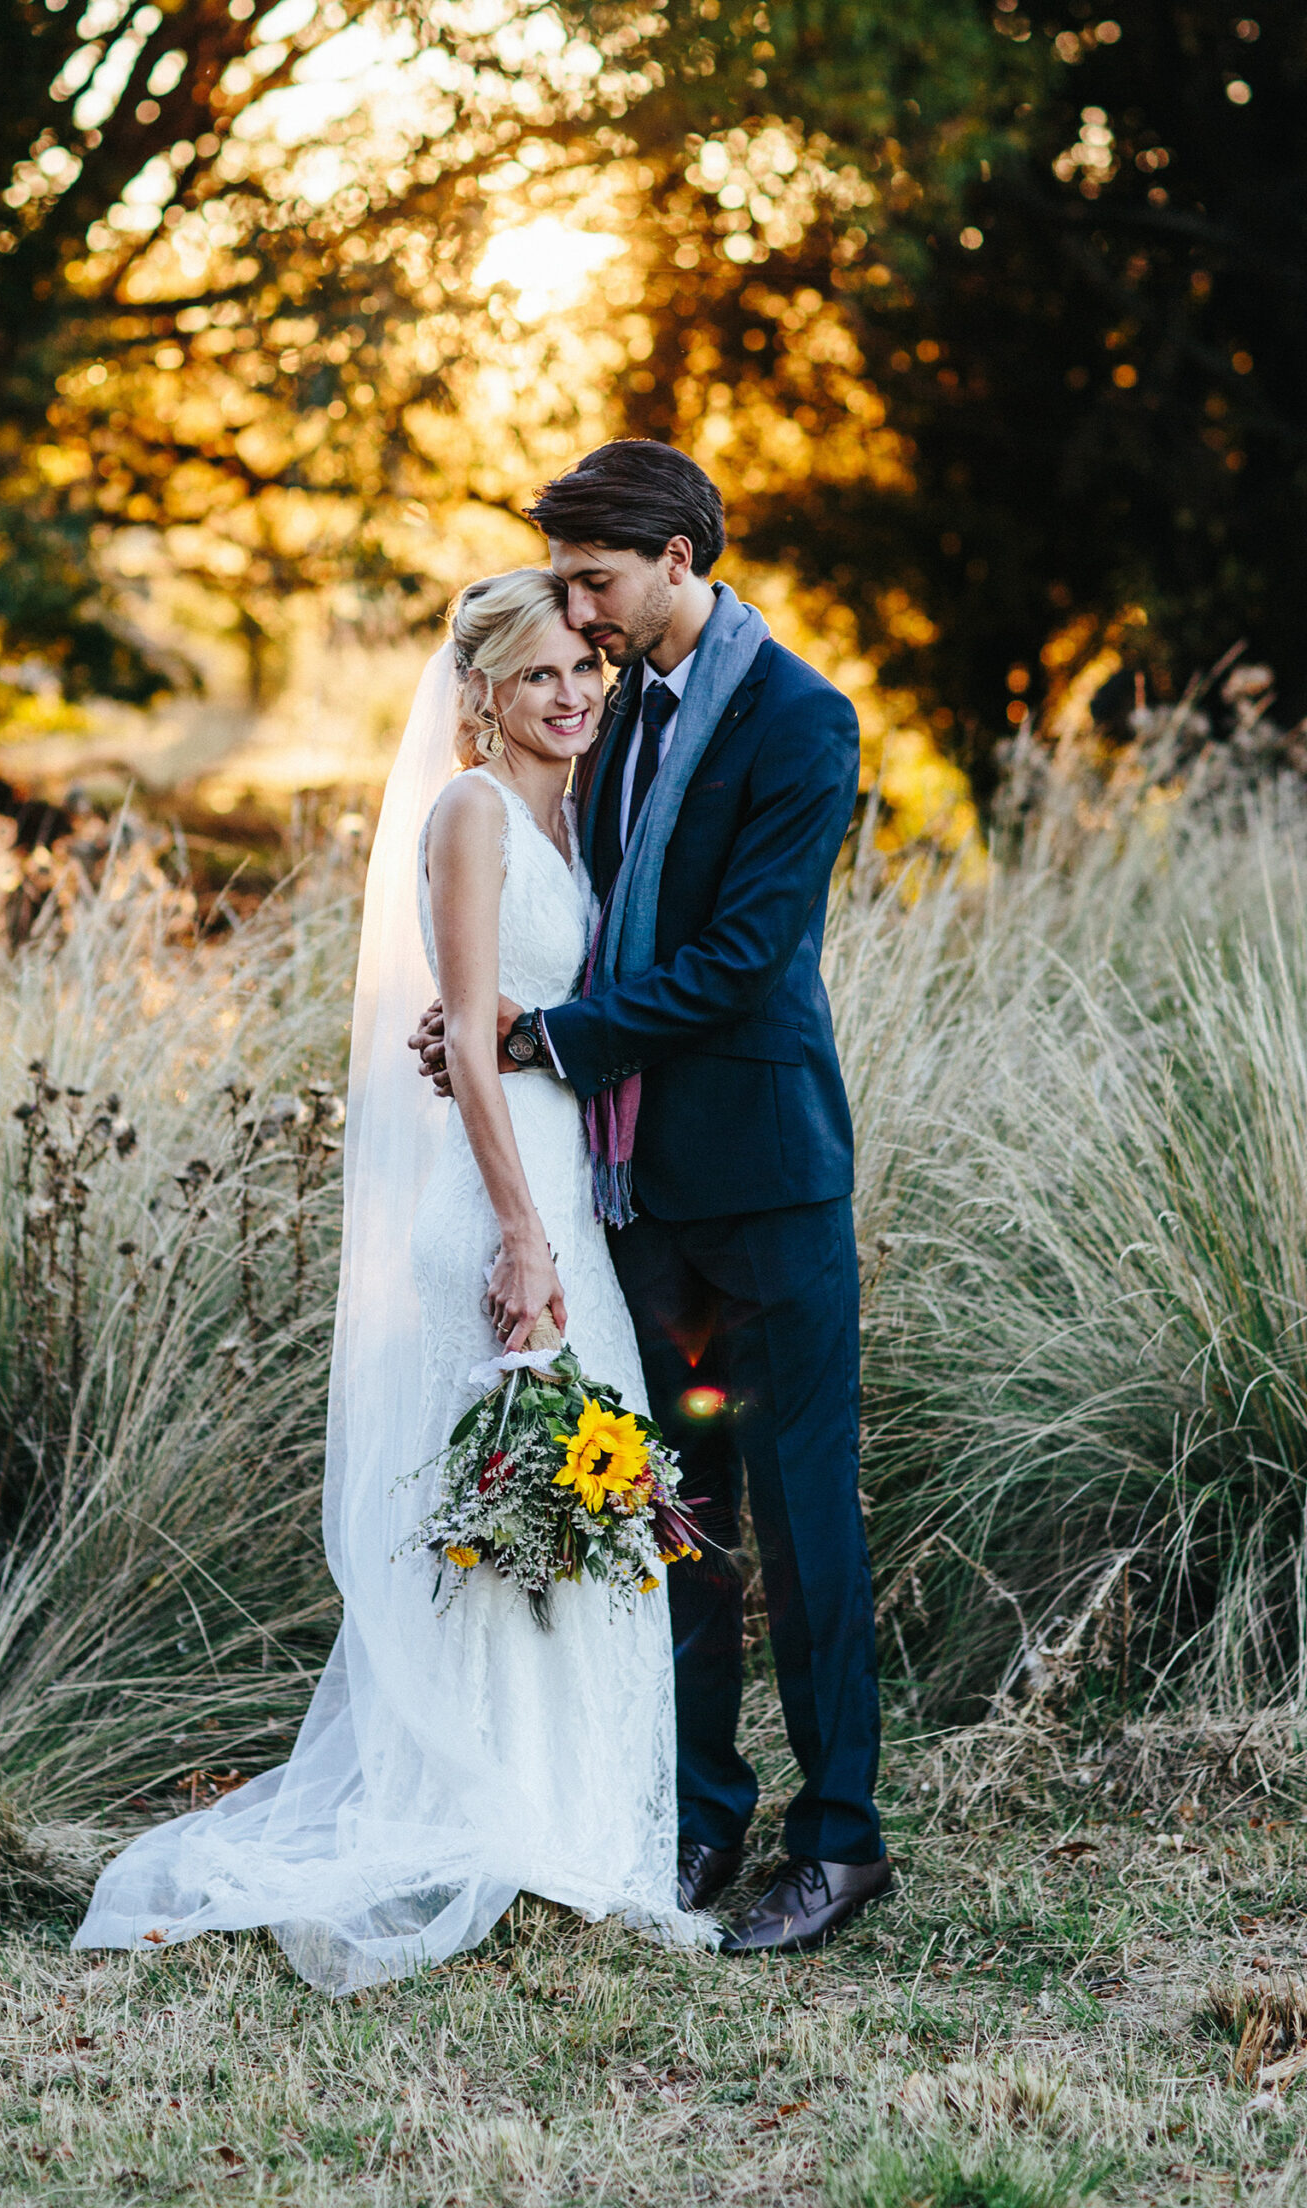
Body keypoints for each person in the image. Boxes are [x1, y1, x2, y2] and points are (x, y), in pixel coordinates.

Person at [73, 568, 715, 1991]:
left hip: (567, 1202)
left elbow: (550, 1019)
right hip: (498, 1214)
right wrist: (521, 1234)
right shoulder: (469, 817)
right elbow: (474, 1047)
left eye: (583, 671)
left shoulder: (580, 813)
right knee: (510, 1518)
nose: (571, 696)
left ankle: (577, 1823)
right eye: (540, 675)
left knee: (577, 1509)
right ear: (479, 693)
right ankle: (489, 1820)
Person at [413, 441, 889, 1956]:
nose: (584, 618)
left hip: (767, 1185)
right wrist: (491, 1014)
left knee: (808, 1529)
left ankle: (840, 1842)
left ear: (680, 558)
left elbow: (745, 959)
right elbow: (590, 917)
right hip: (636, 1197)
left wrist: (542, 1036)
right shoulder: (615, 721)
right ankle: (700, 1817)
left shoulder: (801, 718)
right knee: (684, 1527)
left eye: (599, 583)